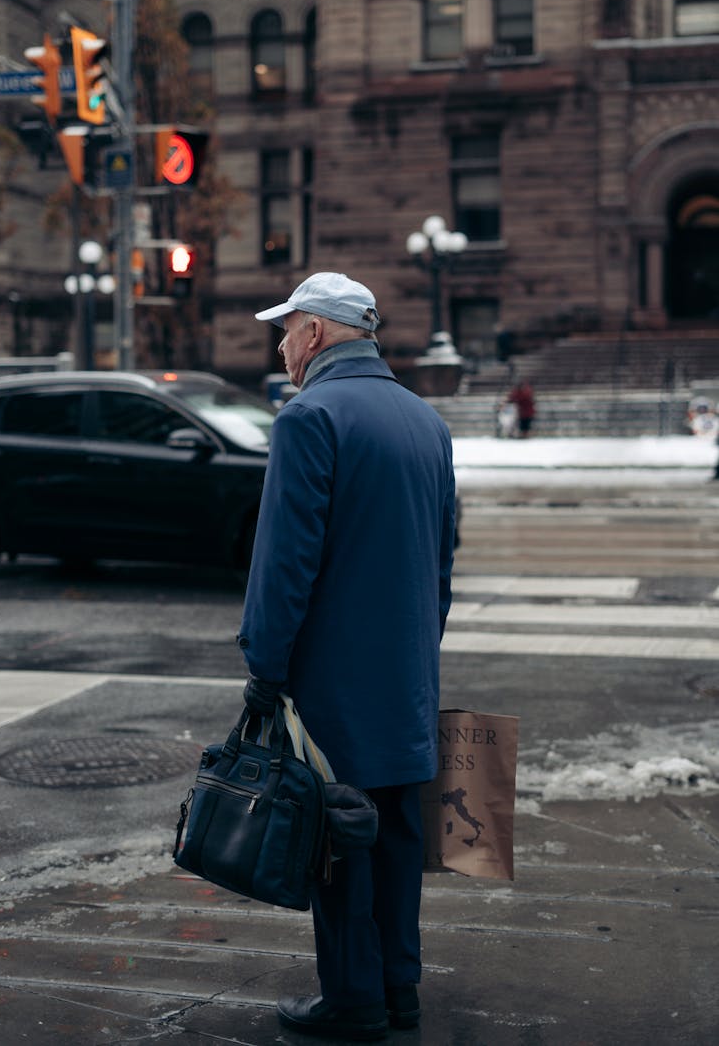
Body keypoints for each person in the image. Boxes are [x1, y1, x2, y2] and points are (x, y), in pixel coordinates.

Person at [236, 272, 456, 1042]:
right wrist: (416, 652)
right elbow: (441, 565)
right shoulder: (427, 422)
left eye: (288, 328)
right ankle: (401, 987)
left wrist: (265, 665)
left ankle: (353, 997)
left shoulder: (309, 418)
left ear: (319, 334)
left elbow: (284, 564)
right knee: (397, 834)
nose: (281, 343)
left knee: (334, 837)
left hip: (332, 679)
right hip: (407, 675)